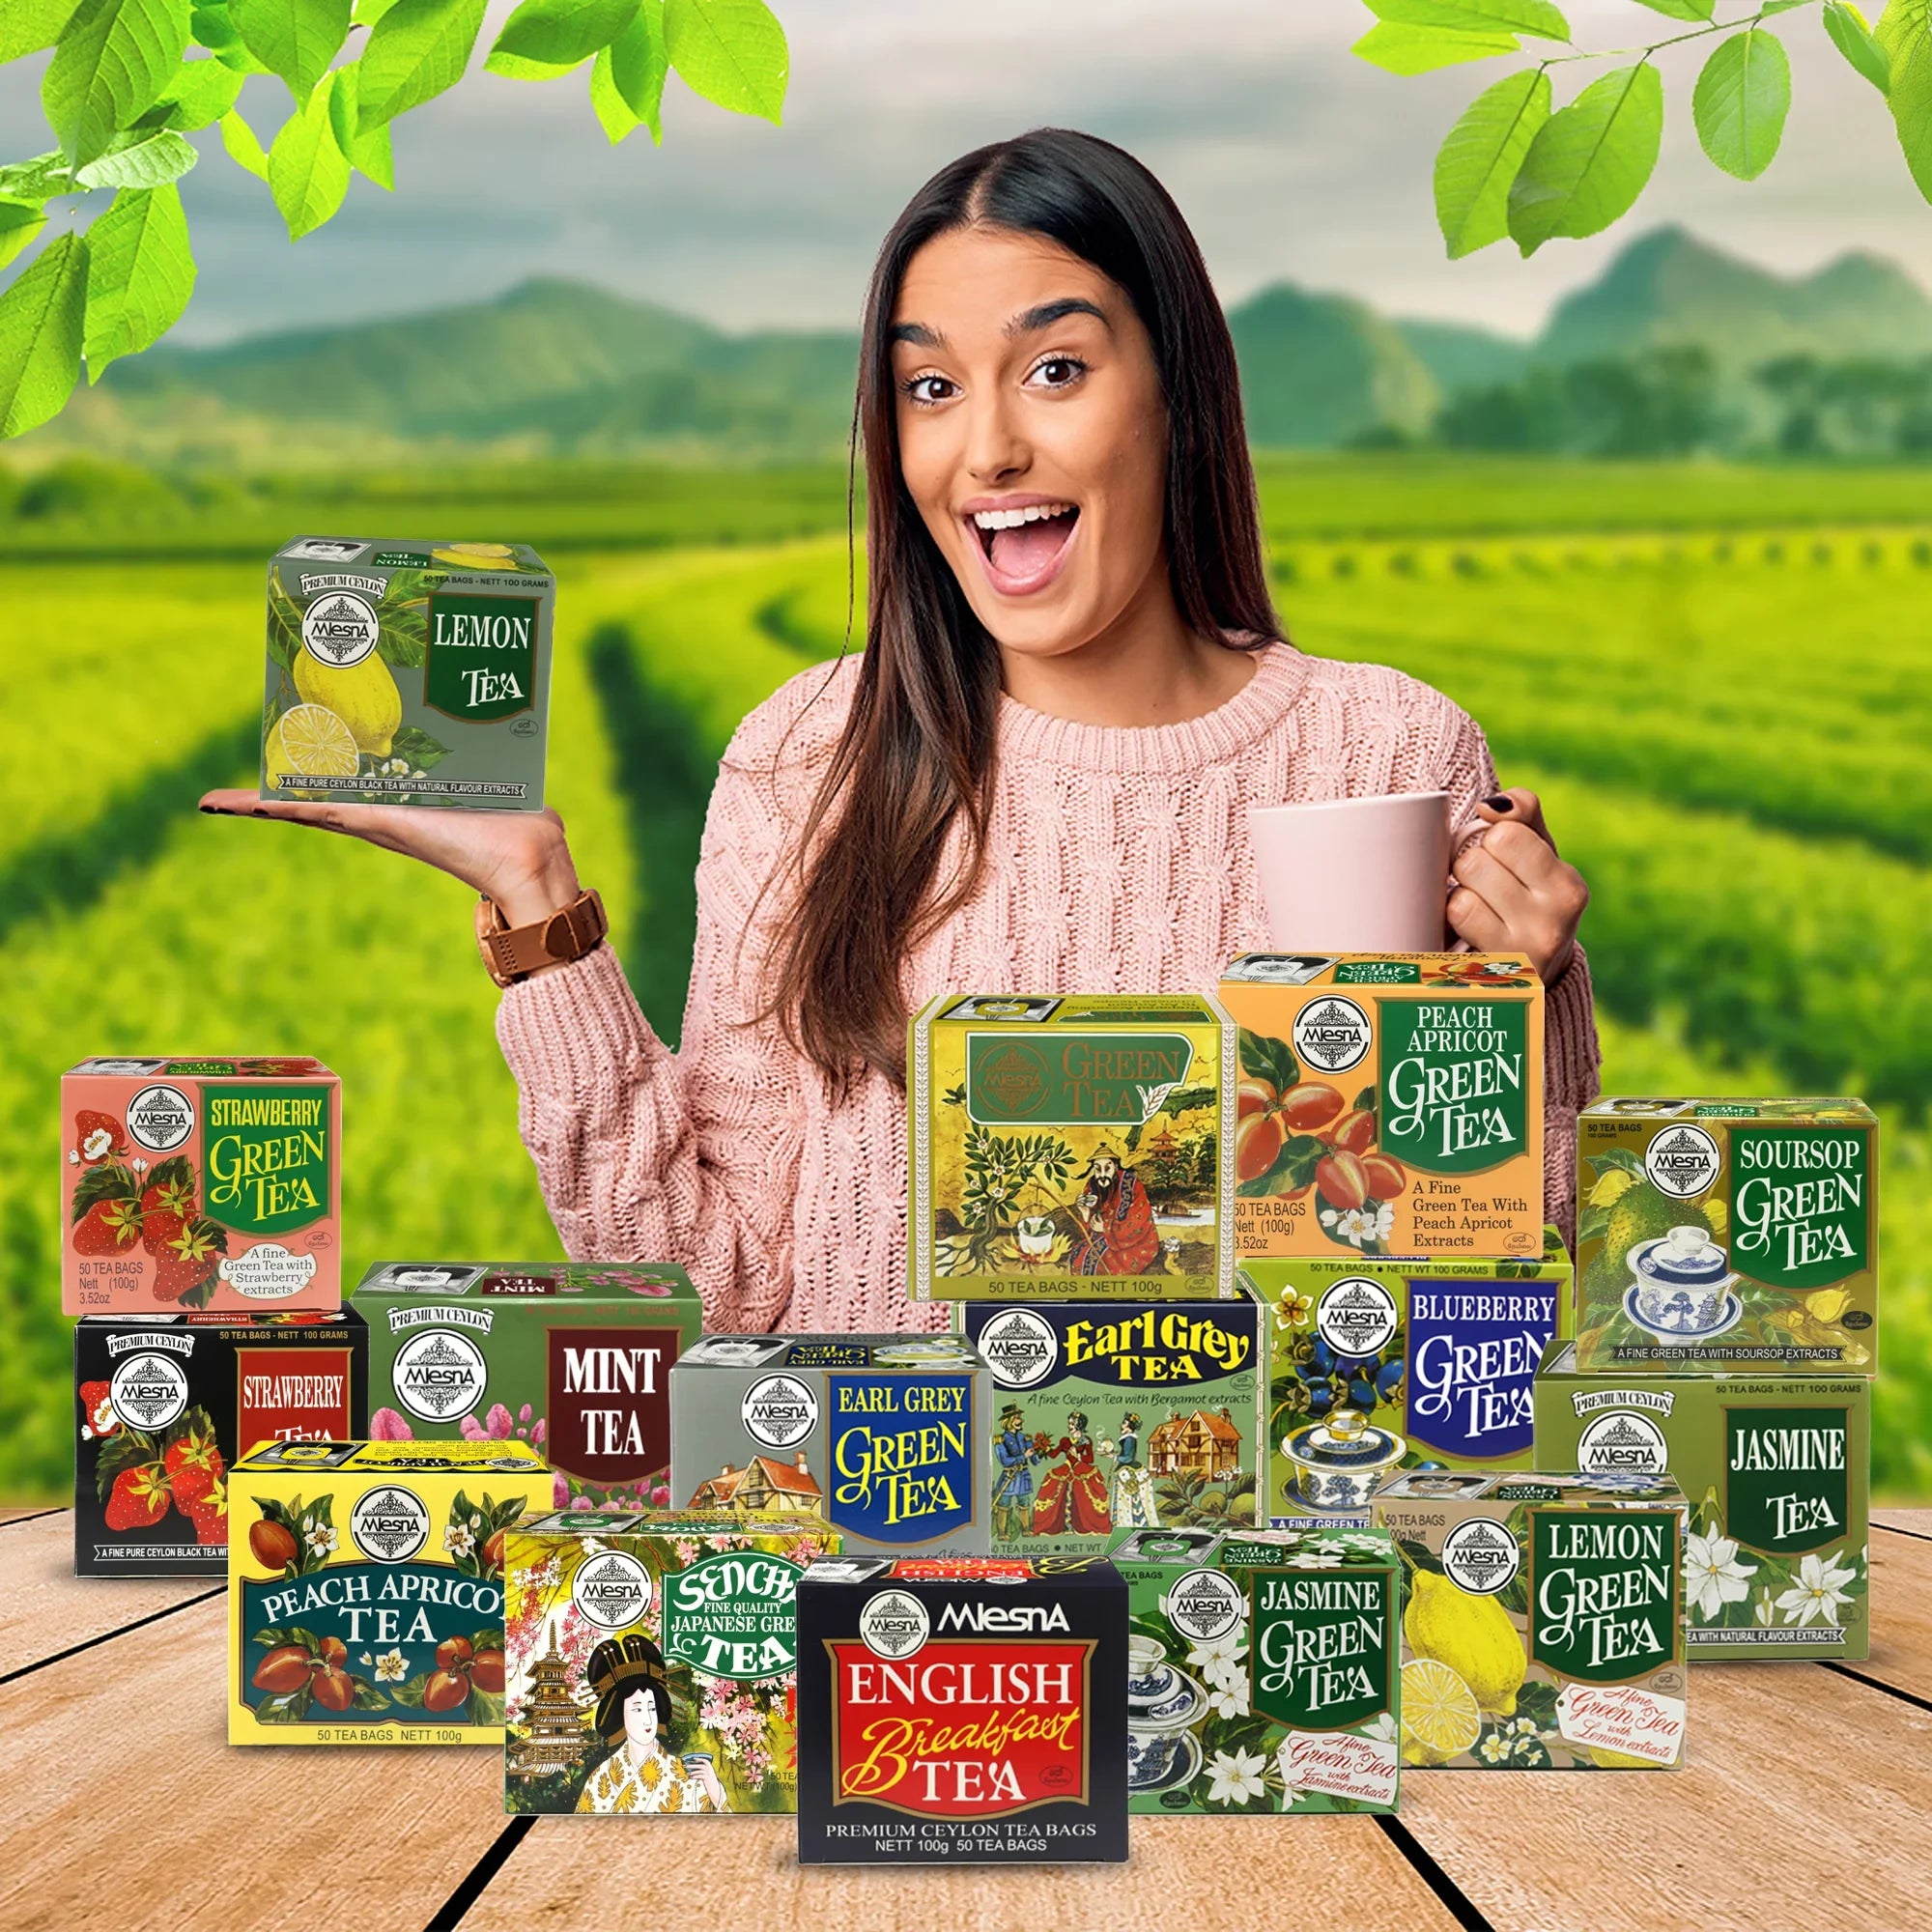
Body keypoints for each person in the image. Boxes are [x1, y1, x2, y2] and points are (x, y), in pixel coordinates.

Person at [203, 128, 1597, 1336]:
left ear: (1178, 397)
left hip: (1231, 1584)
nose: (983, 449)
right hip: (883, 1566)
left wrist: (1522, 1007)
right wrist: (538, 911)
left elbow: (1471, 1312)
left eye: (1054, 370)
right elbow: (717, 1294)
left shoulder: (1387, 753)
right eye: (931, 387)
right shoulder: (809, 754)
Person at [576, 1634, 726, 1814]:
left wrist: (716, 1793)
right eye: (637, 1709)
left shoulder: (688, 1776)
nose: (648, 1719)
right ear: (620, 1715)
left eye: (652, 1708)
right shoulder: (601, 1780)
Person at [1070, 1147, 1162, 1276]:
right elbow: (1087, 1230)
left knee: (1097, 1263)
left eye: (1107, 1168)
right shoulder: (1092, 1185)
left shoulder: (1132, 1184)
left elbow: (1138, 1224)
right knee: (1078, 1255)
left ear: (1115, 1166)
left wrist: (1105, 1228)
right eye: (1097, 1169)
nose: (1102, 1175)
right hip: (1105, 1236)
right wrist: (1085, 1213)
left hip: (1134, 1242)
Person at [1032, 1408, 1111, 1536]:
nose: (1069, 1426)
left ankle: (1079, 1525)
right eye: (1069, 1423)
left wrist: (1078, 1457)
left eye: (1071, 1424)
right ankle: (1063, 1526)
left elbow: (1090, 1459)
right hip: (1066, 1469)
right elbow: (1053, 1454)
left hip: (1080, 1469)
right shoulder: (1065, 1441)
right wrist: (1043, 1447)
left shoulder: (1086, 1440)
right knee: (1057, 1494)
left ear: (1078, 1425)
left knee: (1082, 1496)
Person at [992, 1401, 1036, 1541]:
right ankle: (1002, 1533)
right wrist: (1024, 1456)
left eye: (1019, 1417)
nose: (1020, 1420)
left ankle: (1026, 1530)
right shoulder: (1000, 1440)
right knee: (1003, 1505)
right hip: (1009, 1477)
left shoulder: (1025, 1437)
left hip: (1023, 1476)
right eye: (1017, 1418)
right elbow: (1004, 1460)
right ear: (1009, 1421)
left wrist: (1039, 1450)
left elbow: (1035, 1461)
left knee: (1024, 1504)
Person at [1110, 1411, 1159, 1527]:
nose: (1122, 1425)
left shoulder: (1129, 1439)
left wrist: (1114, 1456)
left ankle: (1127, 1523)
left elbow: (1128, 1458)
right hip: (1126, 1466)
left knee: (1128, 1496)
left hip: (1128, 1468)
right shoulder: (1127, 1438)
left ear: (1129, 1427)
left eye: (1124, 1423)